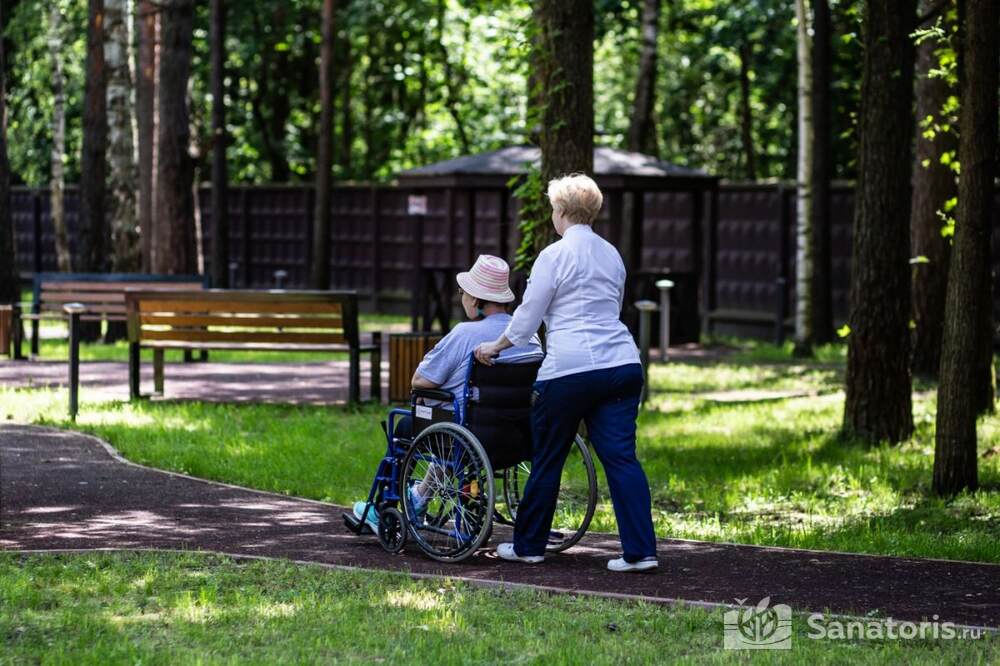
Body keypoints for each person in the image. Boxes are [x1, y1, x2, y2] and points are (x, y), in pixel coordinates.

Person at [475, 173, 658, 573]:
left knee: (548, 456)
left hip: (569, 369)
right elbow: (613, 307)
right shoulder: (612, 254)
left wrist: (495, 346)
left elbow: (528, 316)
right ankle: (641, 552)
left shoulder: (553, 256)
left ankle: (529, 546)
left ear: (560, 211)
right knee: (622, 459)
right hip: (622, 364)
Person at [352, 255, 542, 529]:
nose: (461, 297)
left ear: (476, 300)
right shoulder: (529, 336)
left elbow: (420, 380)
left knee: (407, 424)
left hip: (468, 435)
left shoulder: (464, 334)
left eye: (463, 292)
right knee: (450, 426)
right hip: (518, 436)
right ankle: (419, 498)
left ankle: (383, 507)